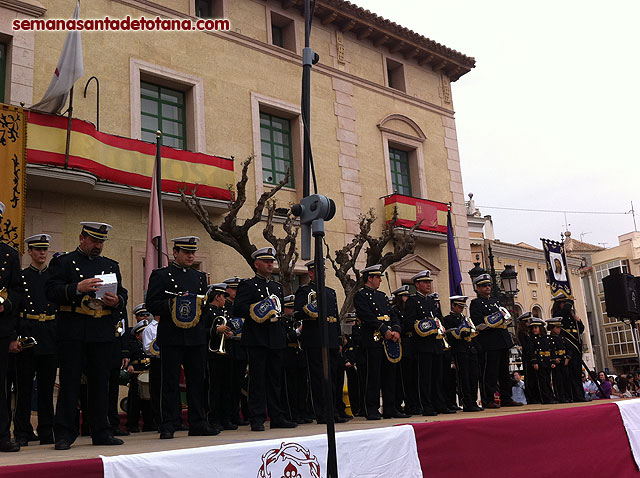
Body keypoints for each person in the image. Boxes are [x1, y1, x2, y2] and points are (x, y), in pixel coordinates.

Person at [46, 222, 128, 449]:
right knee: (70, 384)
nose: (98, 246)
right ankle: (64, 433)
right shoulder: (63, 263)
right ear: (82, 238)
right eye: (94, 241)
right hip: (73, 330)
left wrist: (117, 301)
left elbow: (122, 294)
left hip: (100, 331)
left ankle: (101, 431)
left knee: (100, 384)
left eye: (101, 242)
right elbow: (51, 291)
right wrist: (76, 288)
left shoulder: (110, 265)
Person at [146, 236, 217, 439]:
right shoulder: (161, 275)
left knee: (197, 381)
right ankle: (168, 423)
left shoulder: (200, 277)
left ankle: (198, 422)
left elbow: (204, 307)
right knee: (169, 382)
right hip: (172, 336)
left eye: (193, 252)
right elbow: (152, 303)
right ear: (175, 253)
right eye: (186, 252)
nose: (190, 256)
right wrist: (173, 304)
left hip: (195, 337)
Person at [234, 247, 296, 431]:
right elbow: (238, 309)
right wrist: (258, 309)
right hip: (257, 338)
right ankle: (257, 417)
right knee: (258, 380)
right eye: (267, 261)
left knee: (275, 380)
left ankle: (277, 416)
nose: (271, 264)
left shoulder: (277, 286)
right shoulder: (248, 285)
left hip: (275, 337)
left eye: (272, 261)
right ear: (257, 264)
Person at [13, 234, 58, 446]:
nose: (42, 253)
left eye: (44, 249)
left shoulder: (54, 277)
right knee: (23, 387)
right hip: (27, 334)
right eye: (37, 249)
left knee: (47, 387)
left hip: (49, 334)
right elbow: (14, 312)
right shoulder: (21, 277)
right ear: (30, 252)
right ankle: (22, 430)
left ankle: (47, 429)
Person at [354, 264, 407, 420]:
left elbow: (392, 314)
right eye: (377, 278)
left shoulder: (383, 296)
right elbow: (366, 316)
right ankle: (371, 408)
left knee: (390, 375)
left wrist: (396, 329)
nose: (380, 281)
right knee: (373, 376)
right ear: (369, 278)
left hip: (389, 340)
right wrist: (384, 330)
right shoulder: (361, 295)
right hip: (374, 339)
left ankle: (390, 408)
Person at [295, 260, 345, 424]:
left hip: (330, 338)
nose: (322, 273)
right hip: (315, 339)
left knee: (332, 378)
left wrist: (338, 339)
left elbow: (335, 318)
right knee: (318, 378)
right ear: (310, 273)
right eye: (318, 270)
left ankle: (333, 410)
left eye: (323, 270)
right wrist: (309, 309)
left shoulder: (330, 292)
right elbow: (297, 313)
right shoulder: (305, 291)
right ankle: (322, 413)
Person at [470, 273, 523, 409]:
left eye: (488, 285)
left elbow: (504, 315)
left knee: (505, 372)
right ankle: (488, 399)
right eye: (484, 286)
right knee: (490, 373)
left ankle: (507, 397)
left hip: (502, 339)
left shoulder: (495, 301)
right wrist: (493, 321)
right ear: (477, 288)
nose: (487, 288)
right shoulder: (476, 303)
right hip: (489, 341)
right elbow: (478, 323)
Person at [405, 270, 454, 416]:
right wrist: (424, 327)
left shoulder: (432, 302)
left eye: (429, 282)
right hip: (422, 345)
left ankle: (439, 403)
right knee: (424, 378)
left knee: (437, 377)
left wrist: (440, 326)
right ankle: (426, 405)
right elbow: (408, 323)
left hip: (436, 344)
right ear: (417, 284)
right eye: (425, 282)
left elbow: (438, 319)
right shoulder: (413, 301)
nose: (428, 285)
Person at [0, 201, 23, 452]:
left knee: (1, 385)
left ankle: (2, 435)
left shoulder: (8, 254)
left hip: (0, 328)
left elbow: (18, 290)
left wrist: (6, 304)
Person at [204, 283, 237, 431]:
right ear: (217, 297)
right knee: (214, 388)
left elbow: (232, 326)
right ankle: (214, 418)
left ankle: (226, 418)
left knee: (227, 387)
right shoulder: (206, 311)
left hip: (226, 353)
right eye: (224, 296)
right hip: (212, 354)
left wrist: (230, 333)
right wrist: (216, 330)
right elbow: (201, 330)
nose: (226, 299)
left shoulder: (226, 311)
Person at [443, 295, 483, 412]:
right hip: (459, 350)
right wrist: (460, 332)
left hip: (470, 349)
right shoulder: (448, 319)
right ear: (453, 305)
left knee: (473, 377)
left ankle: (474, 400)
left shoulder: (466, 319)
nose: (461, 309)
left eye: (462, 307)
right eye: (459, 306)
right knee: (464, 377)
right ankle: (467, 402)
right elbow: (449, 335)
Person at [222, 276, 249, 426]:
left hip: (240, 347)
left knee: (238, 385)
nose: (236, 292)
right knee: (228, 384)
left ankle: (235, 415)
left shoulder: (240, 306)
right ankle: (228, 416)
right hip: (228, 347)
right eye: (233, 289)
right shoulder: (224, 306)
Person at [552, 296, 587, 402]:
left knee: (577, 373)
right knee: (571, 374)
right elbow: (565, 310)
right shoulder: (558, 314)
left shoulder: (571, 315)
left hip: (576, 346)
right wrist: (570, 301)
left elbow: (580, 329)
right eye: (563, 303)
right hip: (568, 345)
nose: (565, 305)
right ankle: (574, 396)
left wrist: (579, 321)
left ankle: (580, 395)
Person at [392, 285, 420, 415]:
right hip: (402, 345)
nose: (407, 298)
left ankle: (414, 403)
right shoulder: (395, 311)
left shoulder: (408, 311)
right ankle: (406, 404)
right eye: (404, 296)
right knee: (404, 378)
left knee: (413, 377)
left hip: (412, 345)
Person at [126, 308, 153, 433]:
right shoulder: (133, 345)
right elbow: (127, 357)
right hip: (136, 375)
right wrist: (129, 365)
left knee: (148, 401)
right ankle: (132, 424)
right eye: (143, 333)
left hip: (148, 373)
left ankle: (149, 423)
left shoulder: (150, 344)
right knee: (134, 401)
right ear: (137, 335)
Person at [282, 294, 308, 424]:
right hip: (289, 355)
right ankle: (292, 413)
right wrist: (298, 331)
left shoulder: (298, 321)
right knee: (291, 388)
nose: (292, 311)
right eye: (290, 308)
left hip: (300, 355)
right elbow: (285, 338)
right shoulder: (282, 322)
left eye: (294, 308)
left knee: (302, 387)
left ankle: (302, 412)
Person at [525, 318, 557, 404]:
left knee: (548, 380)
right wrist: (534, 362)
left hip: (547, 361)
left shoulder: (546, 338)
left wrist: (553, 361)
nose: (534, 329)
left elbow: (551, 350)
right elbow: (531, 351)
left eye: (536, 327)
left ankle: (551, 396)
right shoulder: (532, 339)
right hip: (540, 362)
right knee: (542, 382)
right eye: (533, 328)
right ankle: (545, 398)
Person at [546, 318, 571, 403]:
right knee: (558, 381)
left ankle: (568, 396)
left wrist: (568, 357)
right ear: (552, 328)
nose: (559, 329)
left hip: (564, 361)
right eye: (557, 327)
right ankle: (561, 397)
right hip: (556, 362)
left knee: (566, 380)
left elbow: (569, 348)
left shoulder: (562, 338)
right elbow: (549, 351)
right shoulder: (549, 339)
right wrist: (553, 360)